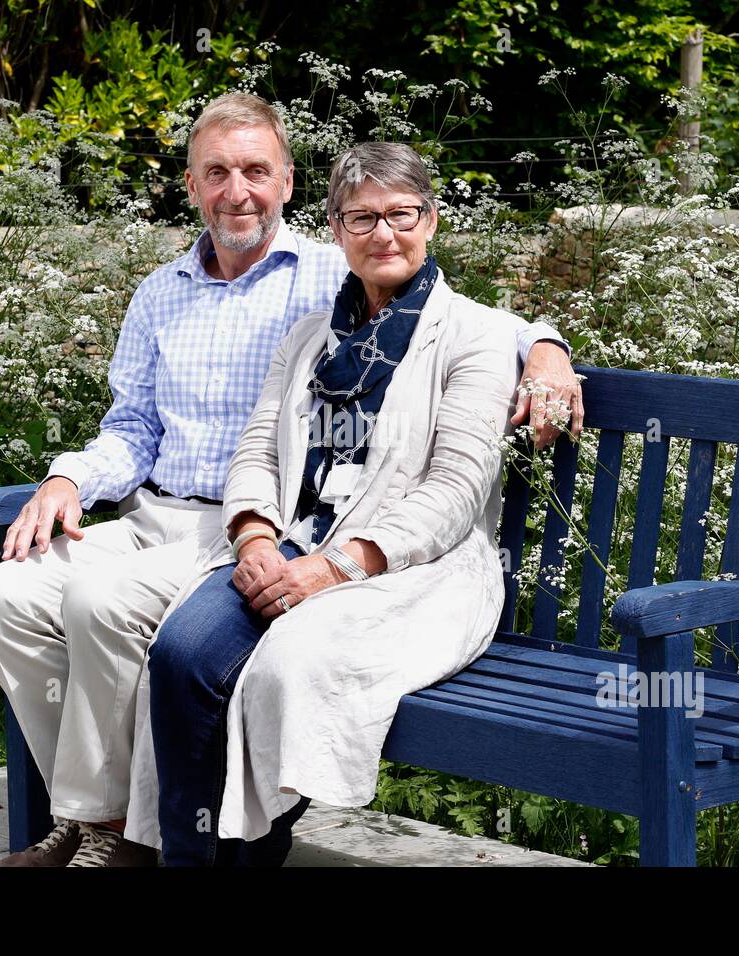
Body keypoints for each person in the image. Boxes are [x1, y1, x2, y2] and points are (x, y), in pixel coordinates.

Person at [0, 93, 583, 867]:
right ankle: (101, 816)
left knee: (108, 609)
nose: (238, 191)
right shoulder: (172, 295)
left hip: (248, 531)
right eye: (216, 173)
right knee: (0, 598)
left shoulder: (331, 272)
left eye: (256, 170)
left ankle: (114, 835)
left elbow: (476, 323)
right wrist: (66, 478)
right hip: (175, 515)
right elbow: (133, 430)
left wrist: (548, 346)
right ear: (191, 187)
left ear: (288, 183)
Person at [126, 141, 536, 866]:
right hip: (289, 542)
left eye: (401, 214)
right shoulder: (312, 336)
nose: (384, 234)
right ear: (337, 230)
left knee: (284, 664)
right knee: (183, 652)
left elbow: (455, 490)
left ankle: (251, 855)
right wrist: (254, 539)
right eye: (361, 218)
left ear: (432, 220)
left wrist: (337, 566)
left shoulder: (474, 336)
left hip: (410, 567)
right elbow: (256, 450)